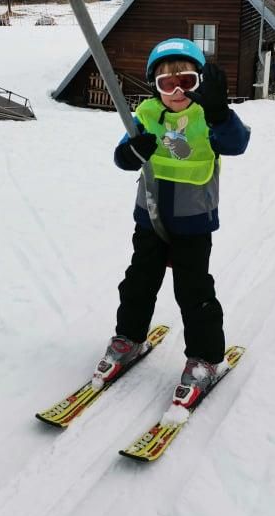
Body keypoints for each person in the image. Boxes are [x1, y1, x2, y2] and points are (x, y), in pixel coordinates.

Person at [93, 38, 250, 412]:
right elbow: (122, 156)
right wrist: (130, 153)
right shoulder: (146, 114)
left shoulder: (208, 117)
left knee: (193, 292)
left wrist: (220, 113)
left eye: (187, 82)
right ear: (155, 86)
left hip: (193, 222)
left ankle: (206, 358)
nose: (177, 91)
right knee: (138, 283)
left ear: (200, 84)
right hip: (150, 218)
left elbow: (237, 143)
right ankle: (129, 338)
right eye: (167, 83)